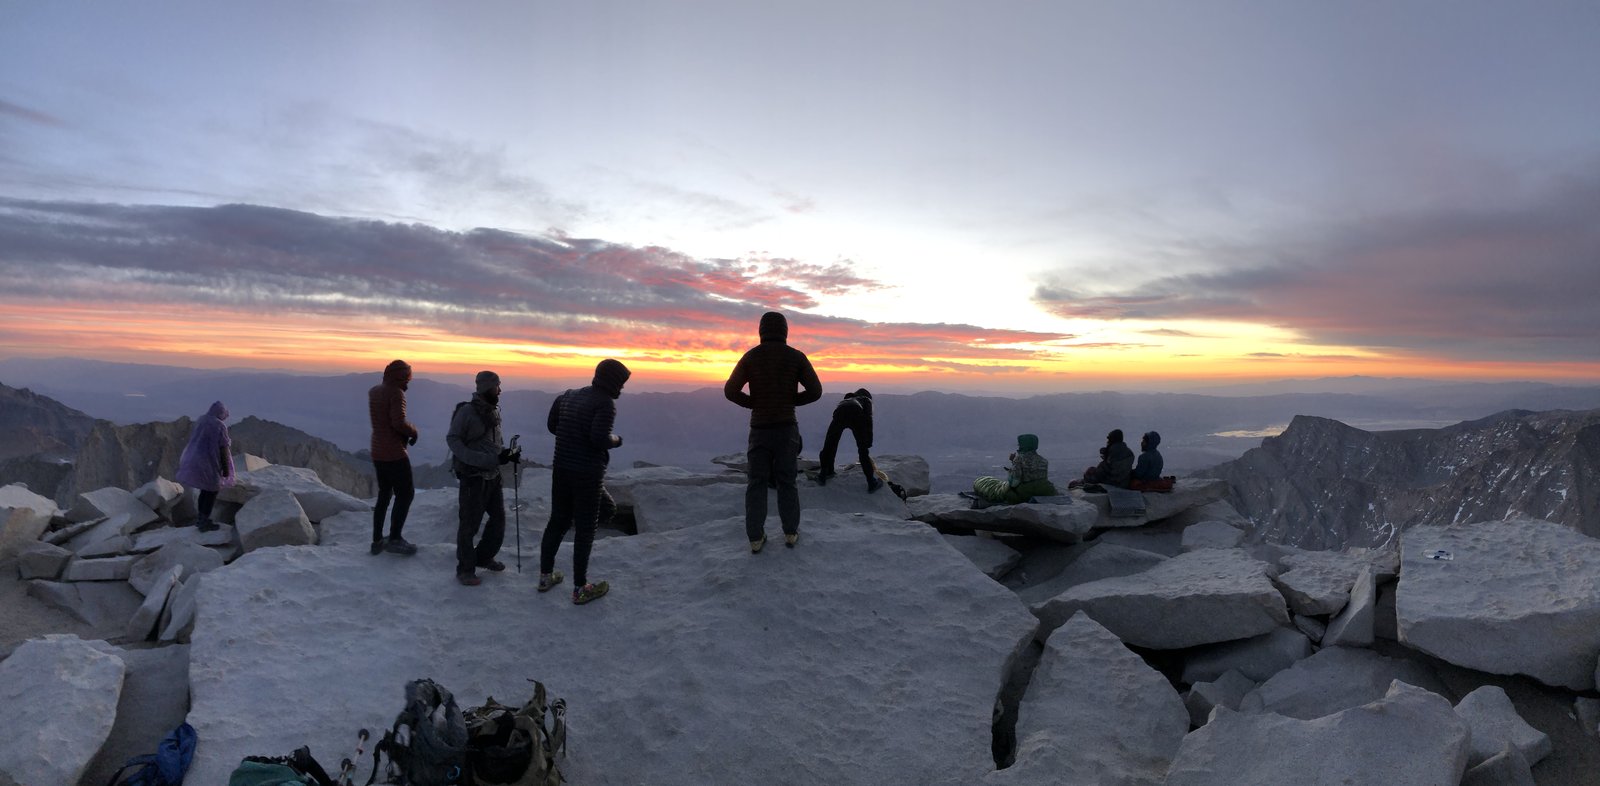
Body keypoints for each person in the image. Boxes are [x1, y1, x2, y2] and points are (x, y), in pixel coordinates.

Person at [724, 311, 822, 553]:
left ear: (761, 331)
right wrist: (790, 401)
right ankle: (790, 532)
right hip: (787, 429)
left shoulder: (751, 357)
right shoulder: (796, 357)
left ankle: (755, 538)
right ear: (785, 331)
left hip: (759, 429)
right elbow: (816, 391)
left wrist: (754, 403)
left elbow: (730, 390)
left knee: (756, 482)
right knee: (787, 481)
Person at [540, 359, 630, 605]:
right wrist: (617, 439)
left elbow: (552, 426)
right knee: (586, 528)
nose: (621, 389)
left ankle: (545, 577)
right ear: (612, 381)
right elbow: (599, 439)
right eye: (621, 383)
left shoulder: (568, 396)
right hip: (587, 473)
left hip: (561, 469)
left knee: (558, 521)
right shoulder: (605, 404)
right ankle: (580, 588)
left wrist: (571, 436)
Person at [446, 370, 519, 586]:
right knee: (469, 524)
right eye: (497, 386)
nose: (500, 390)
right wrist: (472, 459)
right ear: (488, 387)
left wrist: (507, 454)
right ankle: (465, 569)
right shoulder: (467, 412)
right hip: (474, 477)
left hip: (493, 476)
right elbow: (452, 439)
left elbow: (493, 442)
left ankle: (484, 557)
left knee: (498, 520)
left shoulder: (493, 411)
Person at [368, 359, 420, 556]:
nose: (407, 384)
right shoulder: (396, 393)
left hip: (377, 450)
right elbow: (398, 423)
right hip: (394, 452)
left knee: (384, 494)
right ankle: (395, 539)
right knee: (406, 494)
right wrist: (414, 432)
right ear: (399, 378)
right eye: (406, 379)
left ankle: (377, 540)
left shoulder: (374, 391)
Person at [175, 400, 235, 532]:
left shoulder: (202, 420)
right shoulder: (220, 426)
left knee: (204, 490)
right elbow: (223, 448)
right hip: (209, 462)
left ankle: (200, 519)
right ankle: (204, 522)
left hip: (195, 459)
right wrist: (226, 469)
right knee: (212, 491)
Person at [817, 388, 882, 493]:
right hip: (856, 414)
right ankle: (871, 482)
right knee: (863, 451)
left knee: (830, 444)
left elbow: (831, 441)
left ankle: (824, 474)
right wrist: (867, 441)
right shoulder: (866, 400)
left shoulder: (847, 399)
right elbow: (868, 420)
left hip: (839, 413)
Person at [972, 433, 1056, 504]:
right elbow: (1034, 474)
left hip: (1024, 493)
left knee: (983, 483)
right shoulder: (1043, 460)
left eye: (1019, 444)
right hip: (1044, 490)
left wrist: (1012, 468)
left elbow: (1014, 483)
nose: (1018, 446)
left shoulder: (1019, 459)